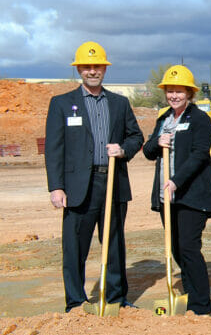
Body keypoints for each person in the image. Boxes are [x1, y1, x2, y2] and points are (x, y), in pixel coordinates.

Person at [45, 41, 144, 312]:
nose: (92, 71)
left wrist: (123, 149)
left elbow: (136, 136)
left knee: (113, 244)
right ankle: (75, 301)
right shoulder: (62, 104)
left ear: (104, 69)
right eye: (87, 67)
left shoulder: (120, 103)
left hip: (112, 182)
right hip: (78, 188)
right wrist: (56, 187)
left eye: (97, 66)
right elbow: (54, 150)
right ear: (78, 69)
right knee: (74, 246)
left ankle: (115, 298)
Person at [142, 65, 211, 315]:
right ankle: (188, 293)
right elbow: (147, 151)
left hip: (192, 195)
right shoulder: (163, 119)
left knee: (188, 246)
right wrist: (157, 141)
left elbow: (199, 155)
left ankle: (201, 305)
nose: (174, 96)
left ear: (189, 93)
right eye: (170, 91)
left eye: (179, 91)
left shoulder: (199, 120)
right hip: (168, 198)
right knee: (175, 247)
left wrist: (176, 180)